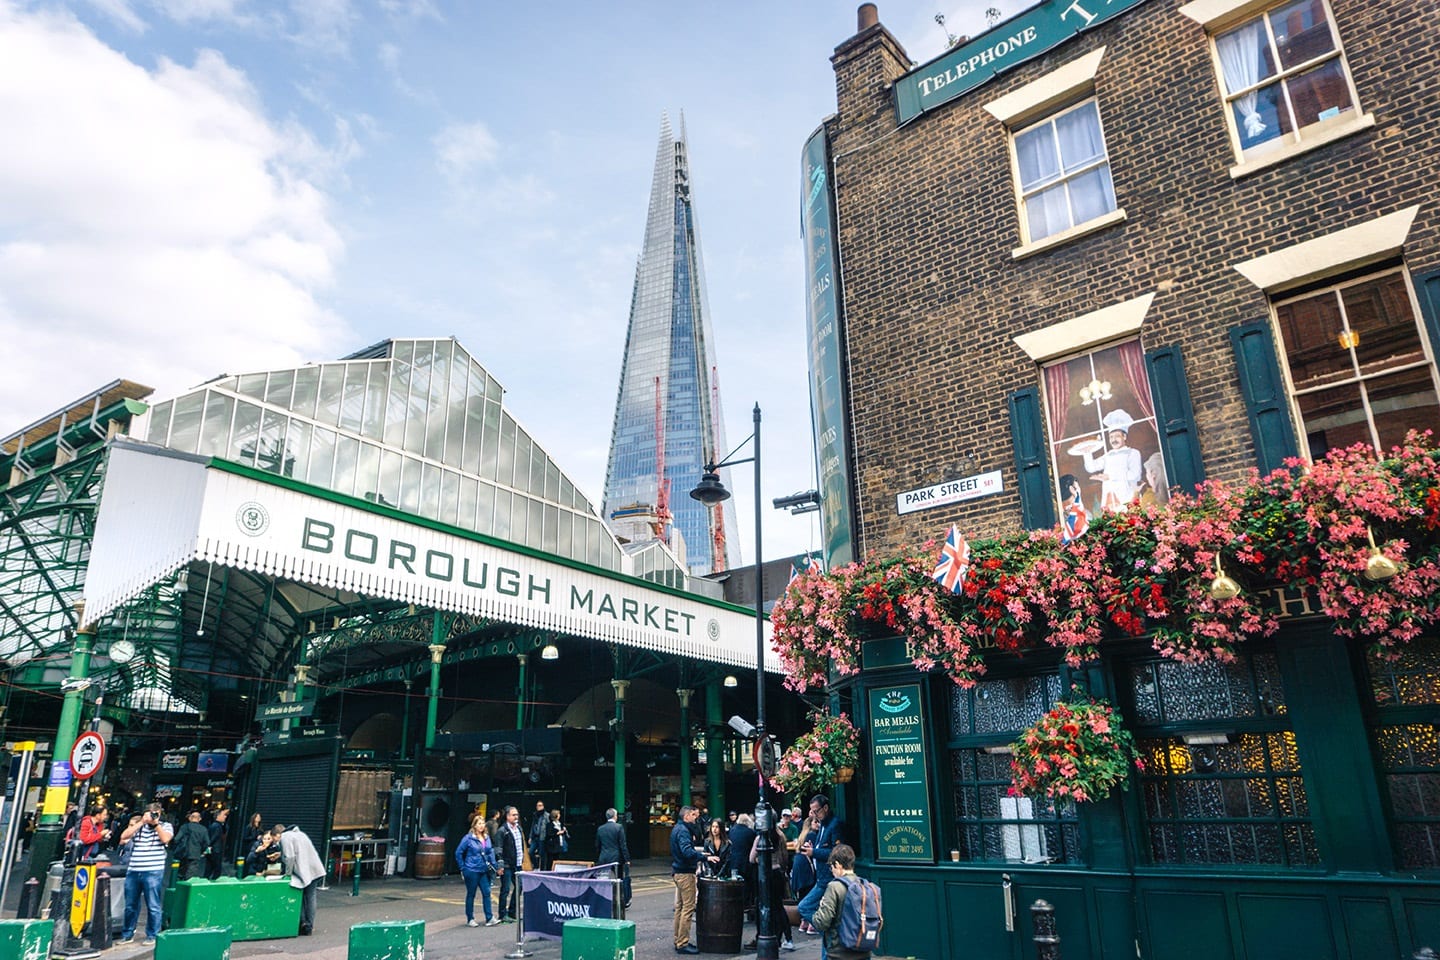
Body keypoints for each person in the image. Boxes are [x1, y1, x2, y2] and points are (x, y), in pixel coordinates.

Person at [118, 802, 174, 945]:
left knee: (153, 904)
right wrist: (141, 822)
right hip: (134, 870)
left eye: (157, 813)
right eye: (151, 813)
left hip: (153, 870)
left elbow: (165, 839)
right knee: (130, 905)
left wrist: (156, 824)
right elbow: (124, 837)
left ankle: (153, 935)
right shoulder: (140, 826)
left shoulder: (165, 826)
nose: (154, 816)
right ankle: (127, 933)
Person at [671, 805, 720, 955]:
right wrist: (705, 857)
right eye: (693, 815)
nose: (695, 817)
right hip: (685, 873)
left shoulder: (677, 829)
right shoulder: (684, 831)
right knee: (688, 908)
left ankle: (678, 940)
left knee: (680, 908)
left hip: (678, 871)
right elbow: (687, 852)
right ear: (686, 816)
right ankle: (682, 943)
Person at [810, 844, 871, 960]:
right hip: (863, 949)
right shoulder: (865, 885)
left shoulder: (835, 887)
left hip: (840, 951)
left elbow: (822, 922)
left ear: (837, 865)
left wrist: (820, 907)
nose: (831, 871)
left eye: (831, 867)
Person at [796, 795, 843, 941]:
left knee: (804, 906)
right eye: (812, 811)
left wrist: (814, 852)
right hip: (822, 877)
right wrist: (813, 848)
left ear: (826, 808)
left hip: (829, 878)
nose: (814, 815)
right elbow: (823, 846)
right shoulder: (822, 824)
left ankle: (828, 933)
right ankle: (828, 934)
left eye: (816, 811)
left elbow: (837, 852)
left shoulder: (834, 824)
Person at [749, 813, 797, 951]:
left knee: (762, 906)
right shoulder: (781, 836)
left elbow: (751, 858)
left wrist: (759, 860)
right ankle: (787, 938)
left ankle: (763, 936)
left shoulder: (760, 838)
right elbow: (784, 859)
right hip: (777, 874)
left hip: (764, 875)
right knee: (778, 907)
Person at [1083, 408, 1143, 513]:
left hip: (1127, 498)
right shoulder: (1108, 455)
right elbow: (1091, 467)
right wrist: (1087, 452)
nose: (1113, 440)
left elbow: (1134, 475)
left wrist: (1110, 477)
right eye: (1111, 437)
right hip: (1109, 499)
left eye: (1117, 436)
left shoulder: (1133, 453)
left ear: (1124, 436)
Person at [276, 823, 325, 936]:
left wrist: (287, 874)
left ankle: (304, 923)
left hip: (304, 872)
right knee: (310, 896)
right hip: (314, 869)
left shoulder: (285, 837)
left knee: (302, 896)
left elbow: (290, 856)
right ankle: (308, 925)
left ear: (277, 835)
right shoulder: (300, 834)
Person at [455, 817, 500, 927]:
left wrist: (495, 865)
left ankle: (489, 918)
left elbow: (490, 852)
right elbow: (458, 852)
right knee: (471, 894)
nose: (481, 825)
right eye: (479, 823)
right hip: (471, 870)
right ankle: (470, 918)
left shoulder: (486, 837)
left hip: (483, 870)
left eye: (483, 823)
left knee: (486, 892)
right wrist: (463, 868)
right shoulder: (468, 838)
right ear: (474, 825)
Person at [595, 807, 631, 908]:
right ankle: (619, 901)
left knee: (604, 880)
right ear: (614, 816)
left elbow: (597, 845)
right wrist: (627, 859)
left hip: (603, 858)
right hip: (616, 858)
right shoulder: (619, 827)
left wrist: (600, 856)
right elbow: (623, 845)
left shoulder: (600, 828)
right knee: (618, 880)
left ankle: (603, 901)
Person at [496, 805, 526, 922]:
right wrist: (500, 864)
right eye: (513, 815)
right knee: (505, 889)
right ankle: (502, 915)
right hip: (507, 864)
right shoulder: (502, 830)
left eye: (517, 814)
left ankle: (512, 912)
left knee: (520, 887)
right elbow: (498, 848)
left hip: (517, 863)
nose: (516, 817)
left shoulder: (519, 828)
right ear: (507, 816)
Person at [173, 809, 210, 880]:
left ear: (190, 818)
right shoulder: (203, 829)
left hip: (183, 853)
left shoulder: (184, 827)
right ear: (200, 819)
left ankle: (177, 886)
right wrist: (203, 852)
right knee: (191, 874)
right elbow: (207, 843)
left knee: (180, 873)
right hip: (195, 854)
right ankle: (187, 887)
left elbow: (176, 839)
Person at [1058, 473, 1089, 543]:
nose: (1078, 490)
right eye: (1076, 488)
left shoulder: (1081, 510)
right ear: (1072, 489)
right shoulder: (1064, 512)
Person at [529, 800, 552, 871]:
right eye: (537, 805)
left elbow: (549, 826)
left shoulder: (547, 815)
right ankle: (536, 866)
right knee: (531, 852)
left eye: (540, 805)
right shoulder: (535, 815)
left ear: (543, 806)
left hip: (542, 837)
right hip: (535, 837)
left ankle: (542, 869)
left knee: (542, 854)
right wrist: (530, 837)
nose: (538, 807)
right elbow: (532, 826)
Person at [207, 808, 229, 878]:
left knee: (209, 869)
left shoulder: (215, 825)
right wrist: (209, 845)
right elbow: (213, 838)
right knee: (216, 869)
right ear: (218, 816)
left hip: (214, 850)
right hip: (216, 850)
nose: (225, 817)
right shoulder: (217, 826)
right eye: (223, 815)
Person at [239, 812, 264, 877]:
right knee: (248, 860)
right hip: (250, 846)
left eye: (259, 817)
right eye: (257, 817)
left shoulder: (260, 827)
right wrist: (255, 837)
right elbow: (245, 837)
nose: (259, 818)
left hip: (257, 846)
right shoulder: (249, 827)